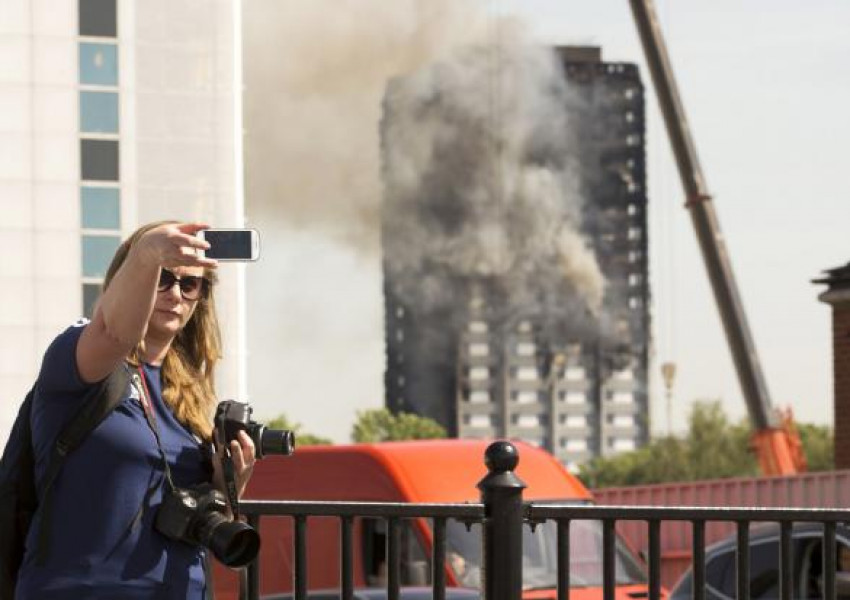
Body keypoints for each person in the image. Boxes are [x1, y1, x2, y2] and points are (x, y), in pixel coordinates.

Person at [14, 221, 256, 599]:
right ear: (130, 278)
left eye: (189, 284)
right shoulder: (81, 354)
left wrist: (226, 487)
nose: (175, 294)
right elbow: (115, 333)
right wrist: (147, 252)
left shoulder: (191, 394)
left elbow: (198, 520)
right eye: (162, 278)